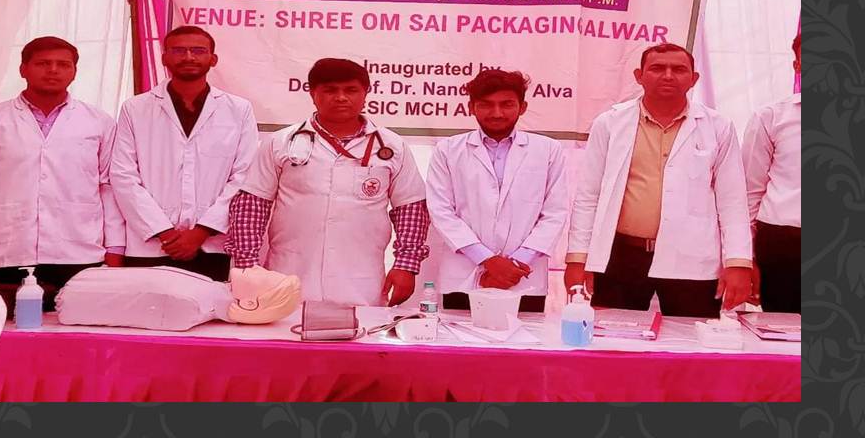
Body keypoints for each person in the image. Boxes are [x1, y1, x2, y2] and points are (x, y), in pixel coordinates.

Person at [565, 43, 752, 317]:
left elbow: (732, 201)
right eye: (657, 68)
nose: (668, 75)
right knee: (614, 338)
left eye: (678, 69)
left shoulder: (718, 126)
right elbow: (588, 196)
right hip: (621, 256)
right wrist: (577, 258)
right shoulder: (609, 123)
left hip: (692, 257)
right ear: (639, 76)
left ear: (693, 79)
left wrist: (738, 261)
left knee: (692, 338)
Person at [226, 58, 430, 306]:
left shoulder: (392, 147)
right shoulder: (281, 142)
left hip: (361, 280)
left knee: (361, 329)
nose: (341, 98)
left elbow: (410, 208)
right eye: (330, 90)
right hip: (288, 274)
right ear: (313, 94)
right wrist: (247, 266)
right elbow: (252, 205)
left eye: (351, 90)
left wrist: (406, 265)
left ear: (366, 93)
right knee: (285, 327)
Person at [0, 36, 124, 291]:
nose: (53, 70)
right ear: (23, 69)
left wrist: (115, 248)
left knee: (75, 316)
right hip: (3, 252)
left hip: (79, 252)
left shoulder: (99, 122)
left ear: (74, 72)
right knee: (3, 314)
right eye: (43, 63)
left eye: (63, 64)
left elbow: (109, 188)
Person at [110, 26, 258, 281]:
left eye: (198, 51)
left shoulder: (238, 109)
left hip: (210, 245)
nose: (189, 57)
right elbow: (123, 176)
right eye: (179, 51)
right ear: (164, 58)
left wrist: (201, 231)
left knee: (212, 306)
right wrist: (164, 231)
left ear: (213, 59)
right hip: (151, 245)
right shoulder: (135, 108)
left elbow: (244, 176)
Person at [426, 69, 568, 312]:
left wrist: (517, 263)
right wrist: (487, 260)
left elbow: (555, 212)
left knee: (526, 336)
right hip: (464, 276)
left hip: (523, 277)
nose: (497, 113)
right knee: (459, 335)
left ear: (523, 107)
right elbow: (441, 211)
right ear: (471, 107)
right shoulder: (447, 150)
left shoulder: (548, 150)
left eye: (506, 104)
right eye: (486, 104)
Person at [742, 34, 801, 313]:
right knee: (784, 330)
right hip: (784, 244)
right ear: (797, 65)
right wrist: (746, 257)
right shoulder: (770, 117)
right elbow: (749, 192)